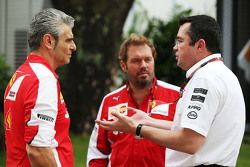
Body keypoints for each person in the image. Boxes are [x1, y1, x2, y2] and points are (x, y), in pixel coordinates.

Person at [96, 15, 246, 166]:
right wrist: (149, 121)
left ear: (200, 45)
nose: (175, 47)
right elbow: (195, 129)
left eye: (180, 41)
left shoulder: (205, 79)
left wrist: (137, 128)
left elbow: (189, 142)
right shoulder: (222, 74)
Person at [87, 34, 180, 167]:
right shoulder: (110, 101)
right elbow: (97, 153)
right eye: (136, 60)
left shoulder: (177, 96)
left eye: (148, 59)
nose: (143, 65)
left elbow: (189, 141)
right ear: (123, 65)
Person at [4, 8, 76, 167]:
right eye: (68, 40)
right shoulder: (43, 79)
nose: (74, 47)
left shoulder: (22, 73)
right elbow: (38, 150)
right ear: (49, 41)